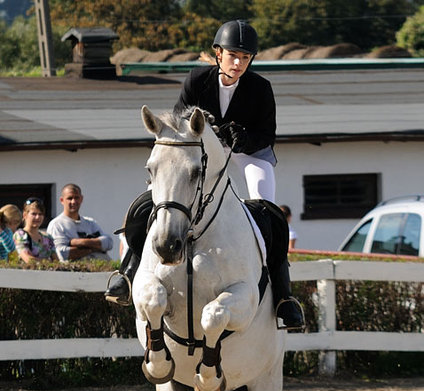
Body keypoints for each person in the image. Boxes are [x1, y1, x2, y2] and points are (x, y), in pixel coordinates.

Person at [105, 21, 303, 330]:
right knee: (154, 198)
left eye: (245, 58)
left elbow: (267, 134)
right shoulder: (197, 79)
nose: (238, 64)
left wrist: (244, 139)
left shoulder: (260, 87)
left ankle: (283, 298)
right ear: (218, 53)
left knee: (268, 209)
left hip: (248, 153)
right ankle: (127, 273)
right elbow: (176, 125)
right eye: (233, 56)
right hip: (201, 152)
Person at [47, 184, 113, 262]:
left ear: (81, 199)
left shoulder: (90, 223)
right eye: (70, 198)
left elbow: (108, 243)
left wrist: (78, 242)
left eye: (76, 198)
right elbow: (61, 253)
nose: (73, 201)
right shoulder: (57, 225)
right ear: (62, 200)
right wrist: (94, 247)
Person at [14, 198, 57, 263]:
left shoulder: (48, 237)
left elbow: (56, 260)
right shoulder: (20, 235)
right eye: (34, 214)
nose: (37, 217)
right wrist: (48, 262)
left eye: (40, 214)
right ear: (25, 215)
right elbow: (28, 259)